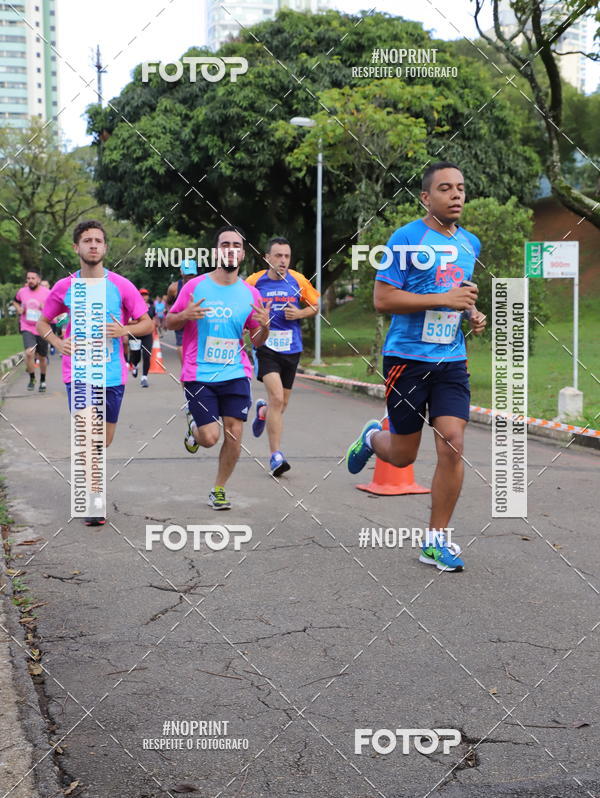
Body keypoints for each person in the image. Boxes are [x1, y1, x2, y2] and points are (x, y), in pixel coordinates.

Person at [346, 162, 487, 572]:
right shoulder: (406, 238)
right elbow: (383, 299)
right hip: (406, 360)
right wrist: (444, 301)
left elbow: (454, 292)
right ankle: (373, 438)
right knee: (404, 456)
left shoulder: (469, 243)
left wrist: (471, 312)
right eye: (446, 188)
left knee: (453, 442)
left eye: (461, 187)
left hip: (451, 360)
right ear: (426, 197)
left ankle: (435, 540)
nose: (456, 195)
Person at [37, 220, 153, 526]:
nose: (92, 245)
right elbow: (42, 323)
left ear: (104, 247)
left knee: (103, 439)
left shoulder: (121, 286)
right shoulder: (65, 286)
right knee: (88, 435)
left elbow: (147, 323)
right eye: (86, 240)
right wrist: (58, 342)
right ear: (76, 248)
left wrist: (124, 329)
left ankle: (90, 483)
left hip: (112, 375)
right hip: (77, 373)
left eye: (98, 240)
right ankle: (93, 499)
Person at [166, 225, 271, 510]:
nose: (230, 250)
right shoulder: (195, 286)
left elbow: (258, 340)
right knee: (210, 438)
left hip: (236, 372)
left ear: (242, 253)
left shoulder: (250, 294)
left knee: (234, 433)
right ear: (216, 252)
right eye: (225, 245)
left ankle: (219, 489)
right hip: (199, 372)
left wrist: (265, 326)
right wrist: (185, 315)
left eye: (236, 245)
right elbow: (169, 322)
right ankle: (194, 426)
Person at [245, 237, 320, 476]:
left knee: (281, 404)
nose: (283, 260)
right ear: (267, 258)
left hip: (292, 347)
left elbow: (316, 305)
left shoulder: (298, 280)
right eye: (278, 256)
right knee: (277, 397)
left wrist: (299, 313)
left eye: (286, 256)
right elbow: (241, 305)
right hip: (265, 347)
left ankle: (263, 412)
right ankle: (275, 456)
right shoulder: (254, 281)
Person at [12, 269, 50, 392]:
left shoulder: (46, 292)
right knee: (29, 352)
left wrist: (45, 309)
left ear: (38, 279)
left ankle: (43, 380)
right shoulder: (22, 292)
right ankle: (32, 378)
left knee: (43, 357)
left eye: (33, 278)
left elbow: (54, 308)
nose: (30, 281)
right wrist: (19, 309)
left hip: (42, 327)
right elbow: (15, 301)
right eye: (28, 278)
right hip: (27, 326)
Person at [166, 259, 198, 364]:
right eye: (187, 274)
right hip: (181, 319)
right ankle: (185, 370)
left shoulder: (202, 285)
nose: (189, 277)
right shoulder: (174, 288)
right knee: (181, 345)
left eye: (192, 274)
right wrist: (171, 315)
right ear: (181, 272)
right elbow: (169, 303)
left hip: (197, 321)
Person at [128, 288, 155, 387]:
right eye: (142, 295)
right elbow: (128, 321)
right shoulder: (132, 306)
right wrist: (142, 322)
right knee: (136, 354)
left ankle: (144, 377)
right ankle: (134, 365)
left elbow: (153, 319)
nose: (144, 297)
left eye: (145, 295)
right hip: (134, 333)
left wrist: (153, 324)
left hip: (147, 334)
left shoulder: (151, 307)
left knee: (147, 355)